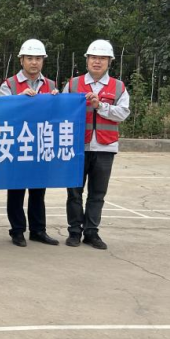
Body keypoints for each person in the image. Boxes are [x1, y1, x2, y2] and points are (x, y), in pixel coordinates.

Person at [62, 39, 130, 250]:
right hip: (77, 147)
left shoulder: (118, 87)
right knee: (74, 192)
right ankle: (74, 231)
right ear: (87, 60)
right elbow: (62, 111)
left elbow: (122, 113)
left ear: (110, 61)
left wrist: (99, 106)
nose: (97, 62)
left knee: (97, 194)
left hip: (105, 147)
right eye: (93, 57)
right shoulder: (73, 84)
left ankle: (91, 232)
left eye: (102, 58)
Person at [0, 38, 59, 247]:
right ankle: (17, 230)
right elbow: (2, 111)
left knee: (38, 190)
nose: (34, 62)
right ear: (21, 60)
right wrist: (19, 99)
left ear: (43, 61)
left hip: (40, 144)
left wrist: (57, 100)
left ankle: (38, 230)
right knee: (16, 190)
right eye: (30, 58)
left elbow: (56, 115)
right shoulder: (9, 85)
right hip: (16, 144)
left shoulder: (51, 85)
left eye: (38, 58)